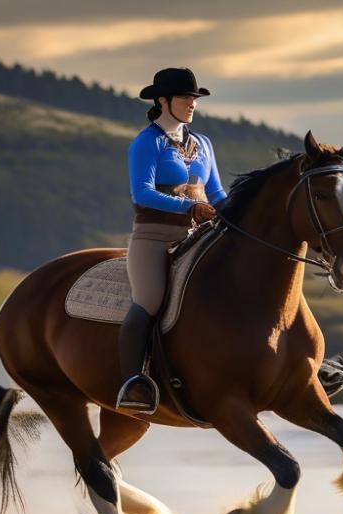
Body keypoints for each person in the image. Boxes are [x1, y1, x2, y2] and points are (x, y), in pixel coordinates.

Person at [117, 67, 227, 414]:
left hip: (201, 235)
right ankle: (132, 382)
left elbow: (217, 193)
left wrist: (237, 212)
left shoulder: (204, 144)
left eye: (194, 99)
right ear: (163, 101)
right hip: (155, 237)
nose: (192, 104)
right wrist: (190, 206)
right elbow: (143, 194)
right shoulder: (146, 142)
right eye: (185, 98)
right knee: (149, 300)